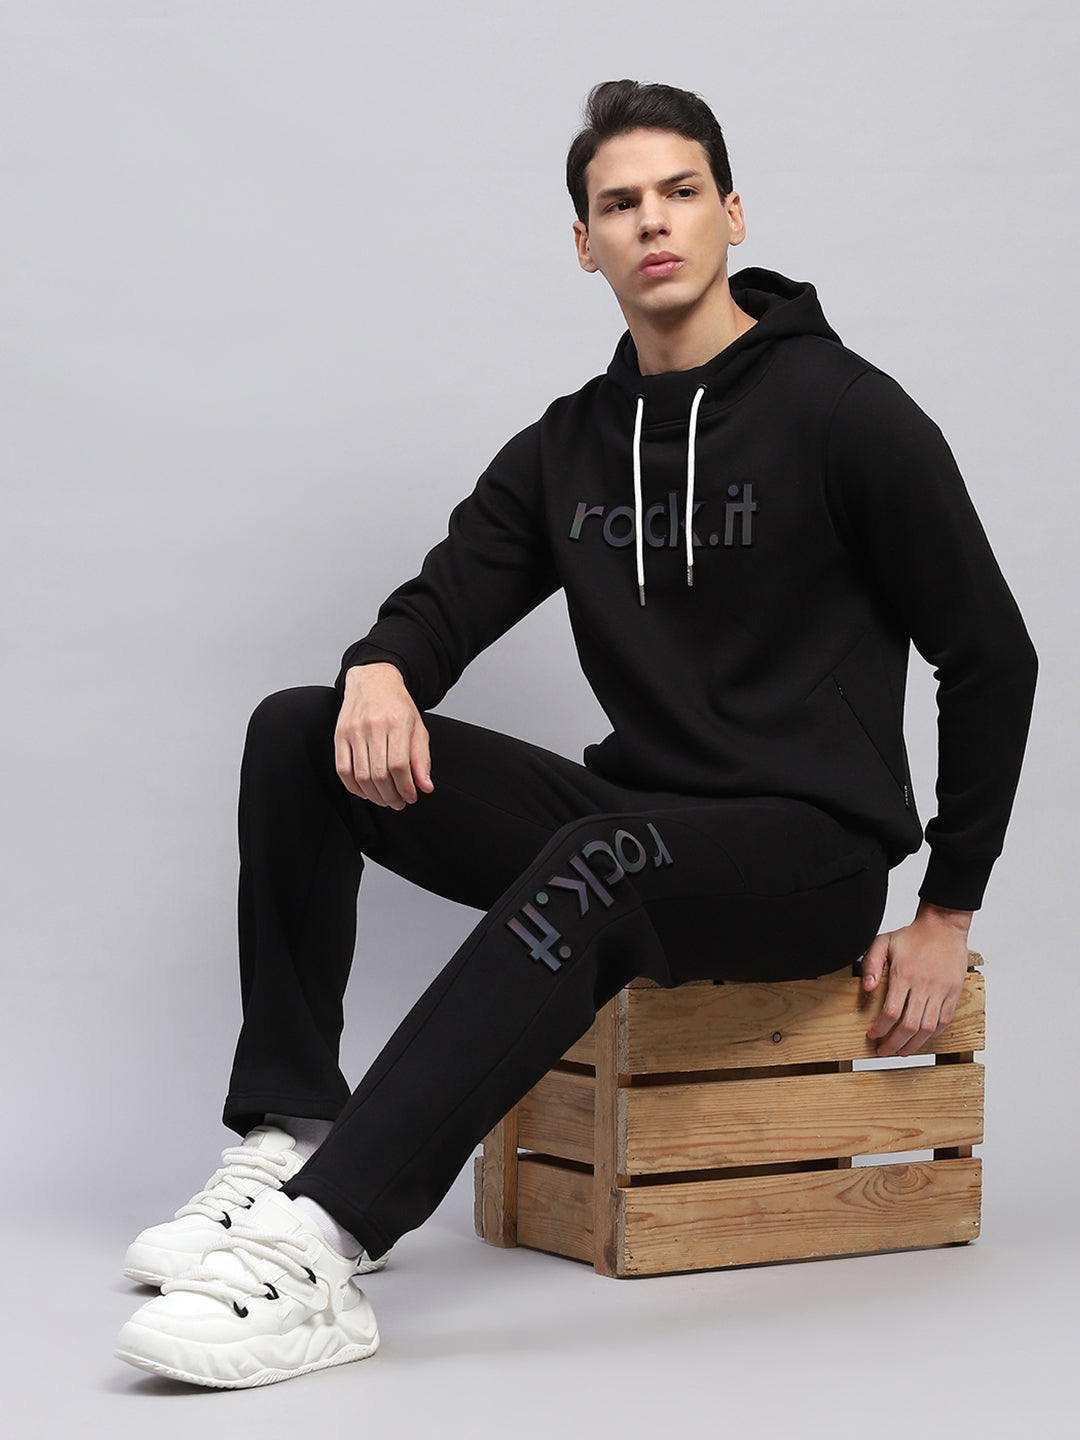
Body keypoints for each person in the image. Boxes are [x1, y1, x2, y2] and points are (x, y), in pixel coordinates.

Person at [115, 79, 1037, 1389]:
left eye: (679, 193)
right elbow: (445, 601)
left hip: (807, 852)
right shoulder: (571, 447)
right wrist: (380, 669)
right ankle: (285, 1142)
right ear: (584, 242)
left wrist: (946, 908)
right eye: (620, 203)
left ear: (730, 214)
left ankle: (323, 1248)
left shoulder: (848, 413)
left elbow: (991, 655)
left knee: (599, 862)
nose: (653, 222)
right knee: (299, 733)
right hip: (638, 829)